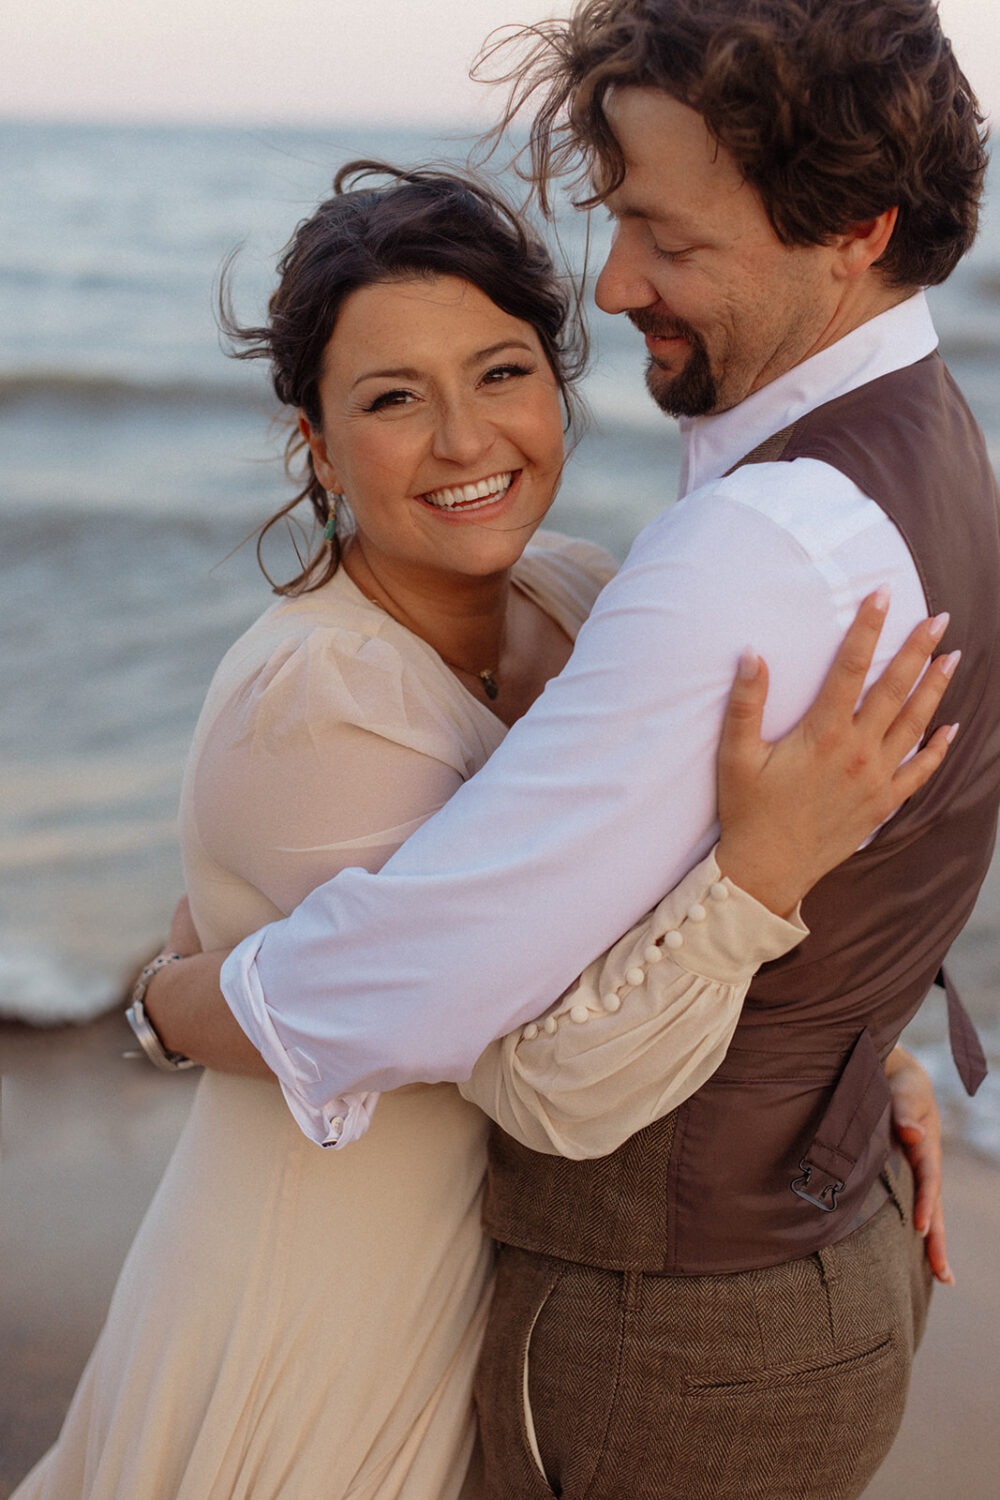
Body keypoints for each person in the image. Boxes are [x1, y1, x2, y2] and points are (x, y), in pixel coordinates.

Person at [140, 2, 999, 1496]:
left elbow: (460, 995)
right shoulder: (932, 440)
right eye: (616, 223)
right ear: (316, 441)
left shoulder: (749, 547)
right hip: (809, 1267)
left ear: (852, 229)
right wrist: (859, 1060)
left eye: (667, 235)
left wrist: (173, 1007)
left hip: (670, 1327)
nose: (617, 284)